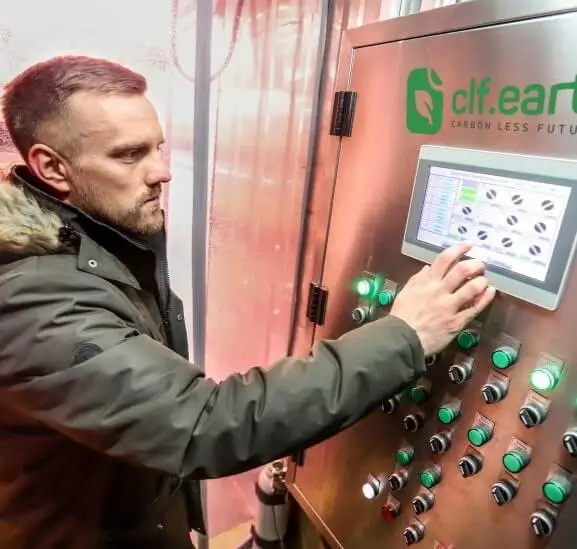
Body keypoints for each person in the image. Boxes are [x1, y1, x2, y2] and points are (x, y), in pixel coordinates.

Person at [0, 55, 495, 549]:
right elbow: (203, 423)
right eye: (130, 155)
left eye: (159, 147)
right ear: (52, 167)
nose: (162, 172)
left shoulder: (99, 242)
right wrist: (406, 335)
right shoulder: (34, 303)